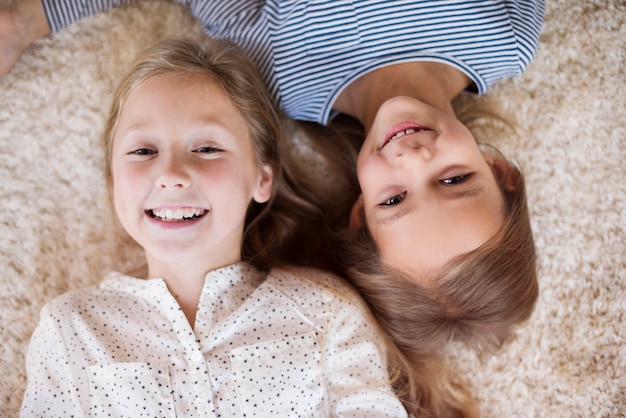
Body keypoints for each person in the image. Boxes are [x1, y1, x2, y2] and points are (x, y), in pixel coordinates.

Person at [7, 1, 544, 415]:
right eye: (454, 179)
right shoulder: (510, 41)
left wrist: (32, 17)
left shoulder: (285, 71)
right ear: (499, 171)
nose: (412, 157)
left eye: (395, 199)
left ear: (361, 212)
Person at [20, 38, 409, 417]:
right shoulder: (71, 328)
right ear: (113, 180)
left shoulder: (325, 312)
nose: (170, 174)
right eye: (143, 151)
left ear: (261, 179)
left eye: (207, 148)